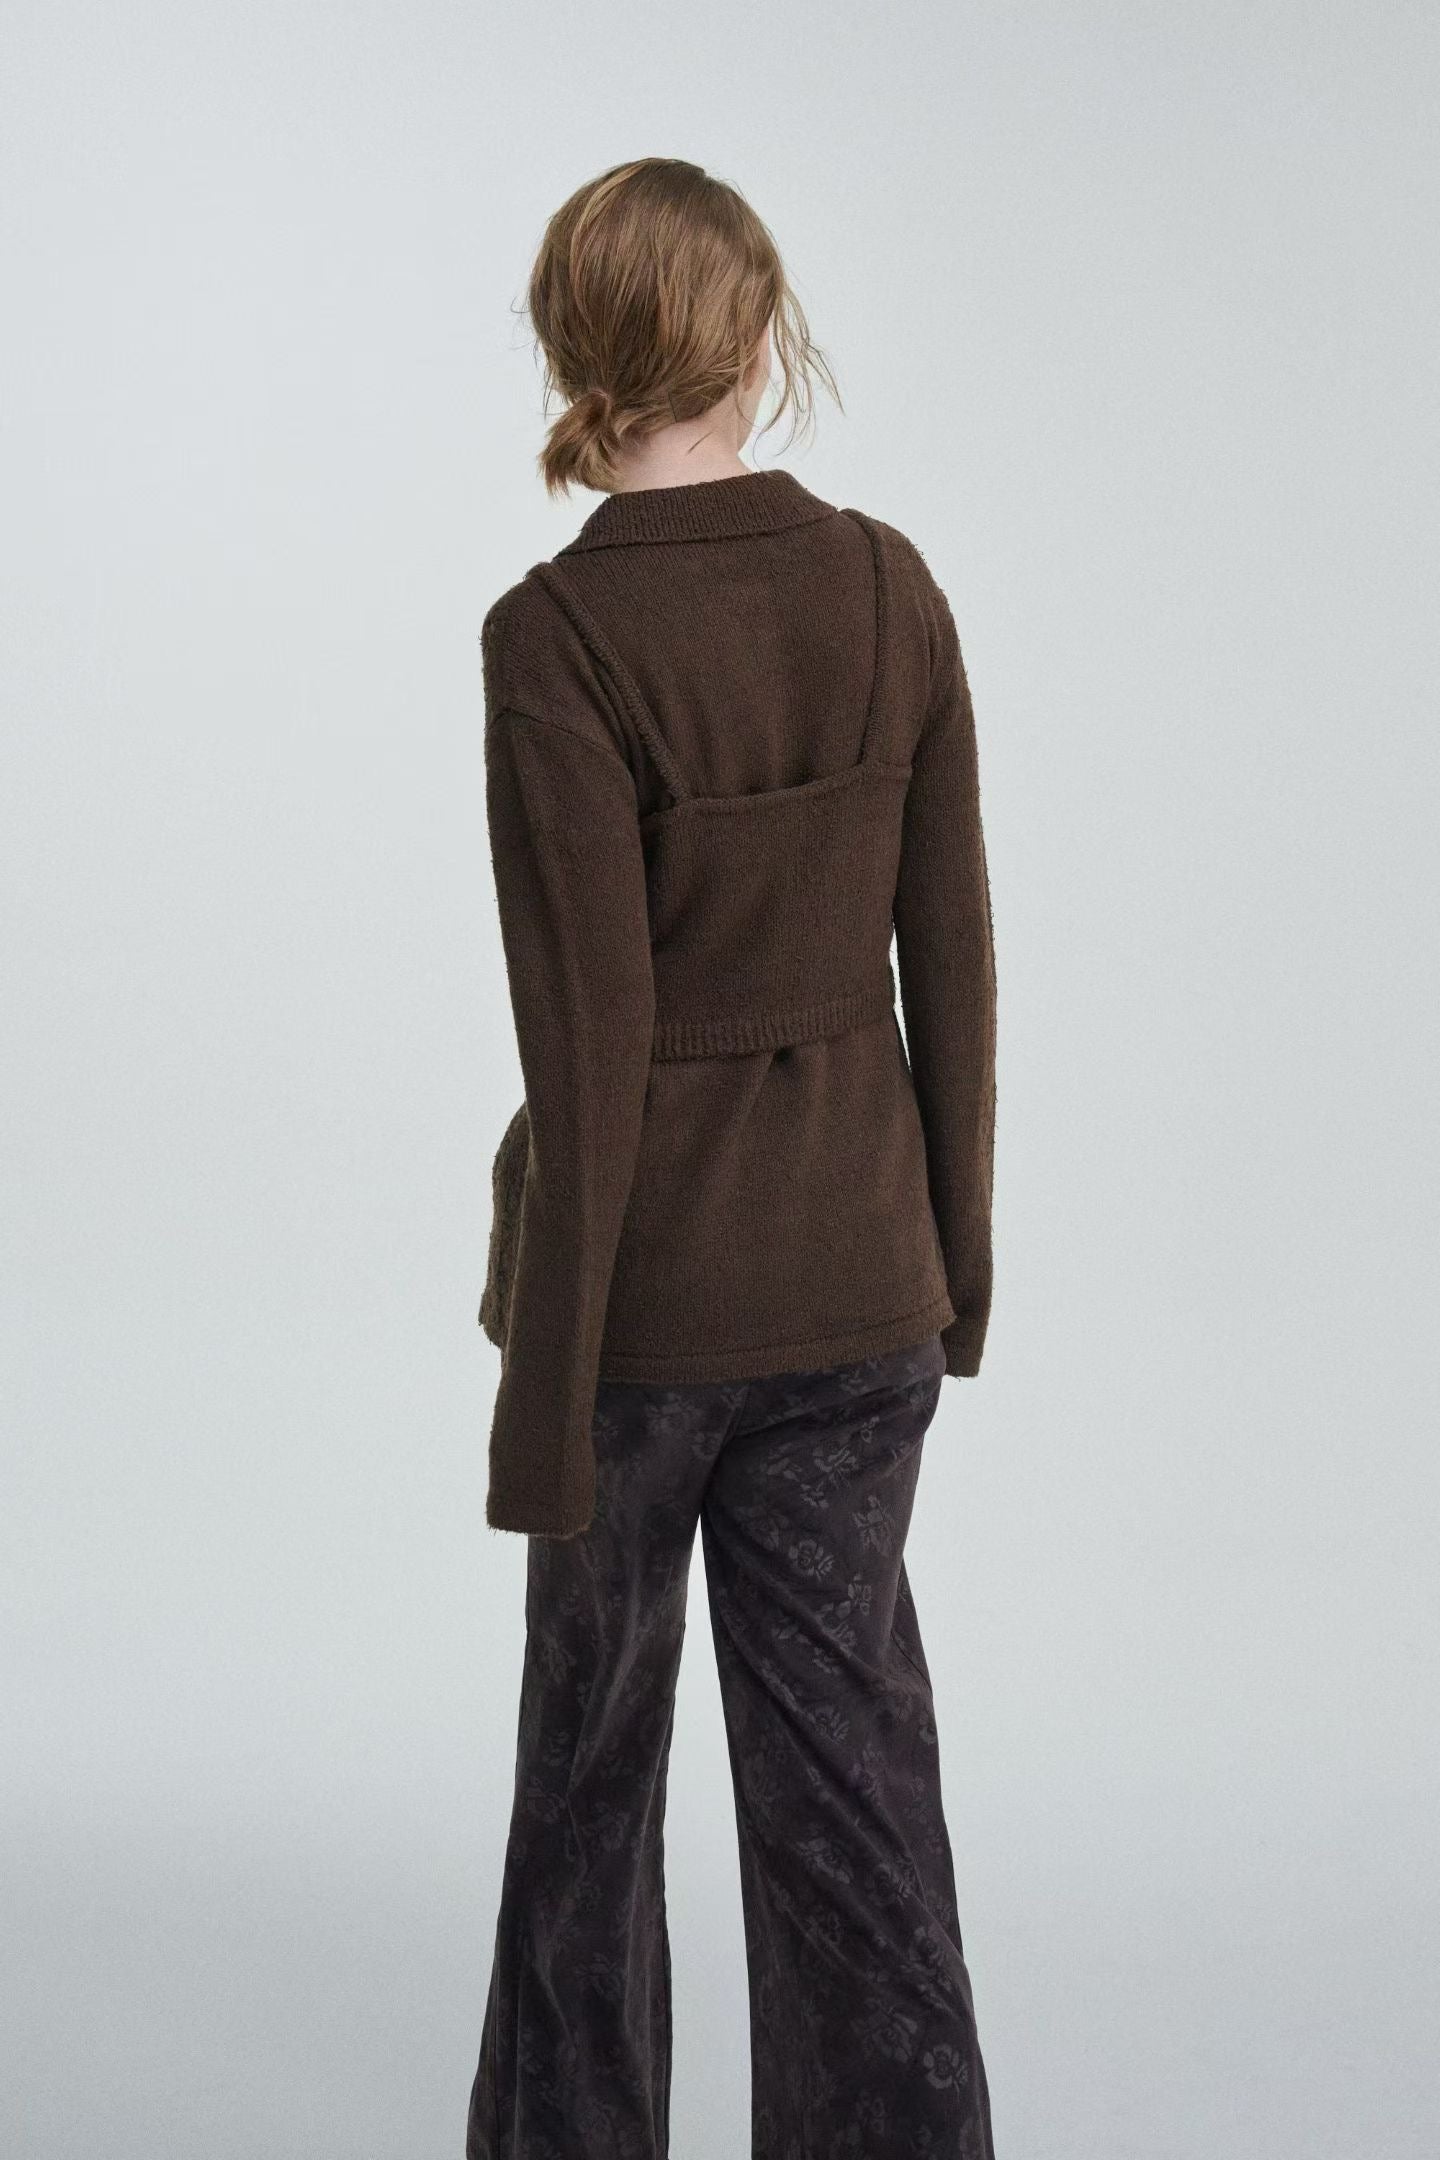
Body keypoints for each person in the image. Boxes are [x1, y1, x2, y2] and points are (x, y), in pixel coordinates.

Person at [466, 155, 998, 2160]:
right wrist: (951, 1266)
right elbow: (952, 961)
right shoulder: (888, 586)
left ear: (570, 354)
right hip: (862, 1286)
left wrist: (546, 1408)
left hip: (643, 1318)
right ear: (759, 341)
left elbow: (586, 1048)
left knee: (590, 1803)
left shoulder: (557, 638)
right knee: (858, 1799)